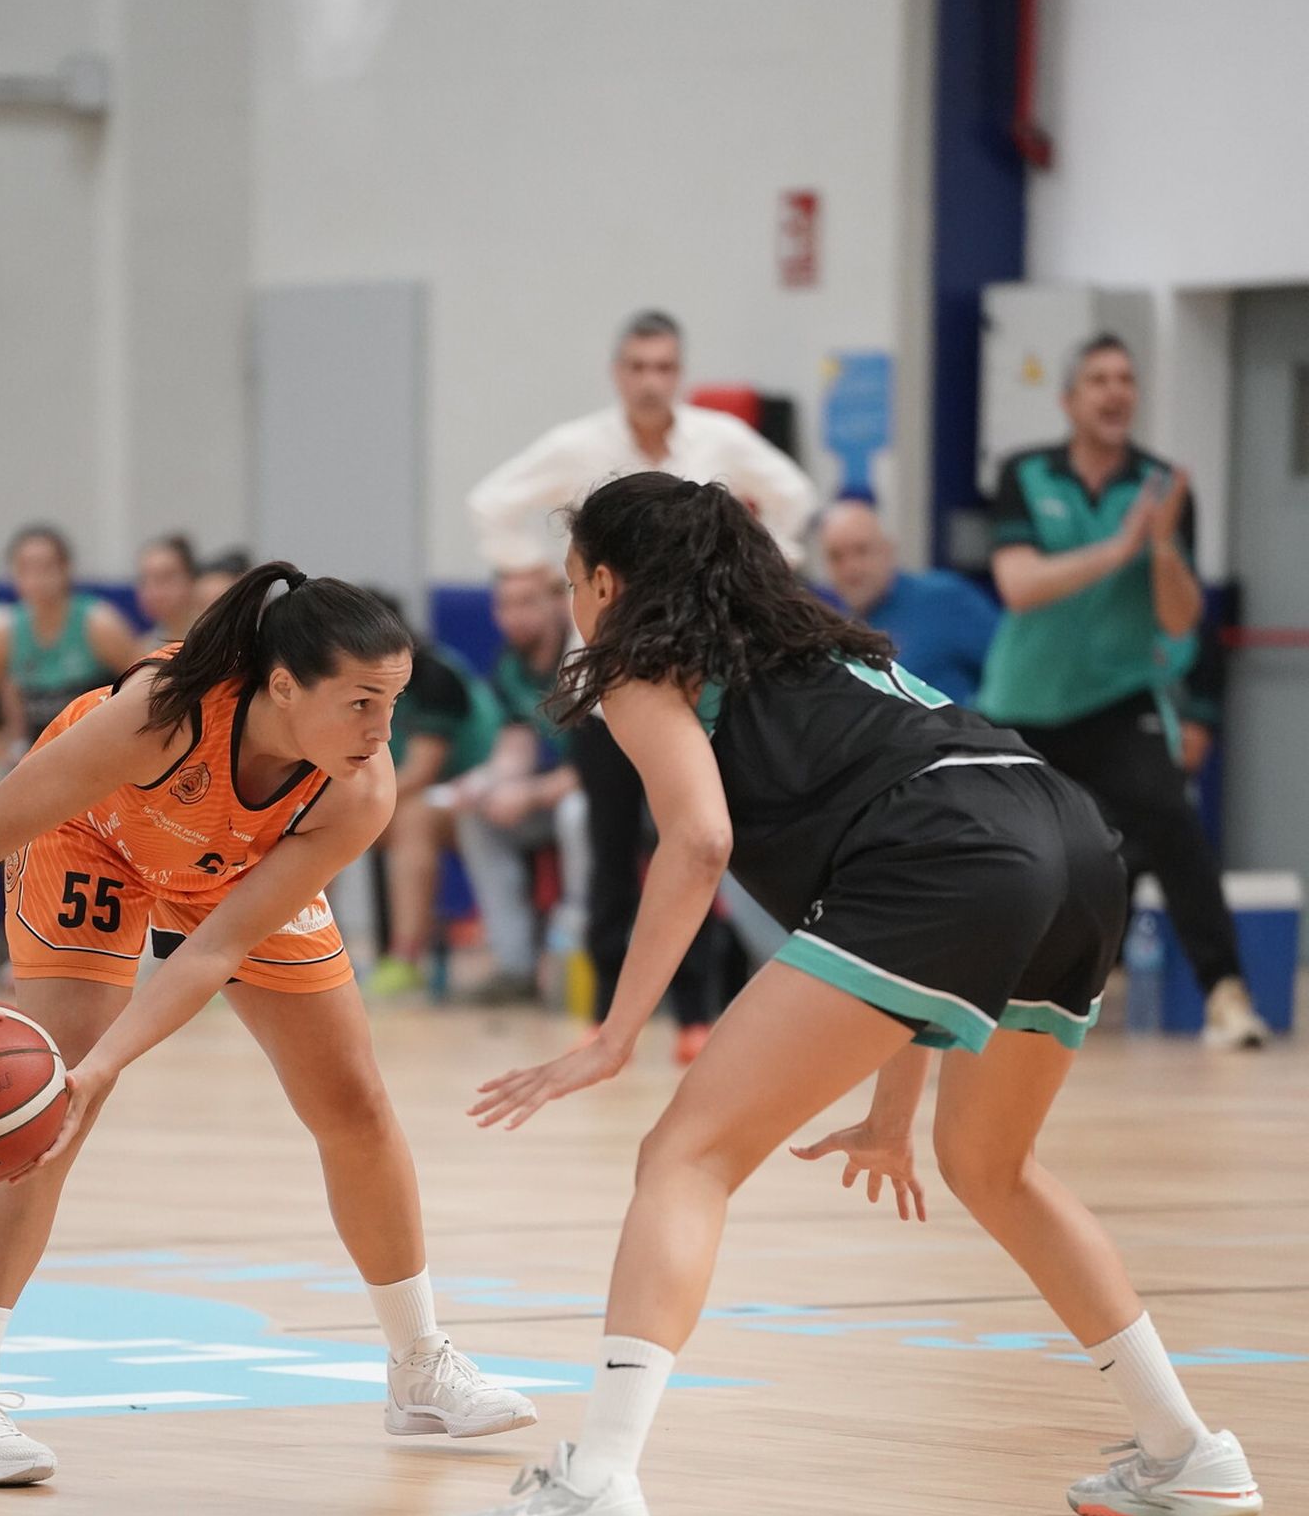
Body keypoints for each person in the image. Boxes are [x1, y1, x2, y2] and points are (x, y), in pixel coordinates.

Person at [431, 473, 1261, 1516]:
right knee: (991, 1164)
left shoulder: (639, 663)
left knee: (684, 1152)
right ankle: (1185, 1449)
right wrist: (890, 1106)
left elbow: (699, 841)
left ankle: (599, 1482)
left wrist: (613, 1032)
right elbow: (932, 899)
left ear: (603, 580)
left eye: (573, 577)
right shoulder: (826, 645)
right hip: (1067, 840)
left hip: (951, 859)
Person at [0, 561, 533, 1488]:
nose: (381, 731)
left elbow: (213, 951)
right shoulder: (161, 714)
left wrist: (107, 1064)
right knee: (44, 1116)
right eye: (358, 703)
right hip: (93, 838)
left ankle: (419, 1365)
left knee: (354, 1101)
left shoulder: (359, 788)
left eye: (393, 702)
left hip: (233, 865)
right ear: (281, 685)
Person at [468, 310, 821, 1063]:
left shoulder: (717, 442)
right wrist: (527, 567)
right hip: (608, 680)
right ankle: (605, 1014)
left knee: (687, 843)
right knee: (606, 845)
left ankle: (695, 1012)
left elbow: (794, 492)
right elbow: (490, 503)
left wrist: (762, 569)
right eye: (637, 367)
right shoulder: (581, 446)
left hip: (695, 675)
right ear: (617, 372)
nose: (651, 381)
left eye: (664, 367)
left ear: (680, 372)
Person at [980, 335, 1267, 1050]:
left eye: (1126, 380)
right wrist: (1119, 549)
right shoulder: (1025, 473)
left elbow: (1179, 616)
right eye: (1100, 380)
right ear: (1070, 399)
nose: (1116, 392)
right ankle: (973, 992)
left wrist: (1162, 545)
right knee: (1003, 847)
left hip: (1117, 699)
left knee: (1173, 824)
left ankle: (1225, 995)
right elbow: (1019, 587)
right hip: (1025, 701)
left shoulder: (1163, 487)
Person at [444, 564, 589, 1002]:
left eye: (527, 602)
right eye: (505, 604)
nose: (513, 616)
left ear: (559, 603)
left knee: (575, 814)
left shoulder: (583, 658)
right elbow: (515, 746)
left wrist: (528, 794)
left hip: (605, 794)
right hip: (550, 789)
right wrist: (487, 781)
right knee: (479, 819)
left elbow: (601, 765)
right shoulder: (511, 663)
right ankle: (515, 968)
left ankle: (586, 954)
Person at [364, 619, 501, 999]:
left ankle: (407, 960)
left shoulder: (434, 678)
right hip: (421, 797)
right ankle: (290, 955)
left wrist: (353, 805)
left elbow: (421, 773)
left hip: (479, 798)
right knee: (312, 820)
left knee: (411, 817)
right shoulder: (350, 687)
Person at [0, 524, 139, 766]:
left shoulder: (98, 622)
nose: (35, 578)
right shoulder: (6, 630)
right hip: (35, 760)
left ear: (65, 569)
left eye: (45, 567)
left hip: (95, 757)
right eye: (25, 569)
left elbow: (147, 687)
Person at [819, 500, 998, 705]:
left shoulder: (944, 600)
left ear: (888, 551)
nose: (850, 567)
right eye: (836, 557)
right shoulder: (831, 628)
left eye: (862, 550)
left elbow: (1011, 670)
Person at [135, 534, 205, 652]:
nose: (152, 591)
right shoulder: (144, 647)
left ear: (192, 580)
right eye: (145, 580)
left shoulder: (213, 641)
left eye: (164, 578)